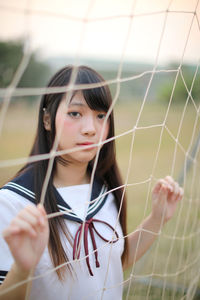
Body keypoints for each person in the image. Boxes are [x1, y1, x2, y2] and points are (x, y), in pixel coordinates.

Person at [0, 65, 183, 300]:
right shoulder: (13, 202)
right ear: (47, 120)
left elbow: (111, 264)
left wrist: (157, 219)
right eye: (75, 114)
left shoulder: (107, 190)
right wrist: (23, 269)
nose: (90, 129)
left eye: (101, 116)